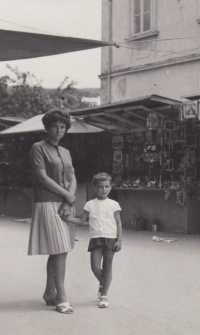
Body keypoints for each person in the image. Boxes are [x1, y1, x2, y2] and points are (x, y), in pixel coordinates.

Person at [28, 108, 77, 314]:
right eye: (55, 126)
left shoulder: (65, 152)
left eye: (63, 127)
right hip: (47, 202)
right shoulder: (38, 148)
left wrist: (69, 199)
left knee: (60, 248)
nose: (59, 130)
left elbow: (72, 177)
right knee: (59, 249)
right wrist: (66, 196)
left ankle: (49, 291)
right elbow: (42, 177)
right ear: (47, 128)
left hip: (65, 203)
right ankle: (61, 295)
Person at [60, 172, 122, 308]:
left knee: (107, 267)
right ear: (94, 188)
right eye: (100, 187)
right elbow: (81, 220)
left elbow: (118, 223)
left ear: (110, 187)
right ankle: (103, 283)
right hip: (96, 238)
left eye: (106, 186)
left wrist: (119, 240)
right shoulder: (89, 204)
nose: (103, 190)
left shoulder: (114, 204)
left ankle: (104, 295)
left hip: (111, 238)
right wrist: (67, 219)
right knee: (95, 267)